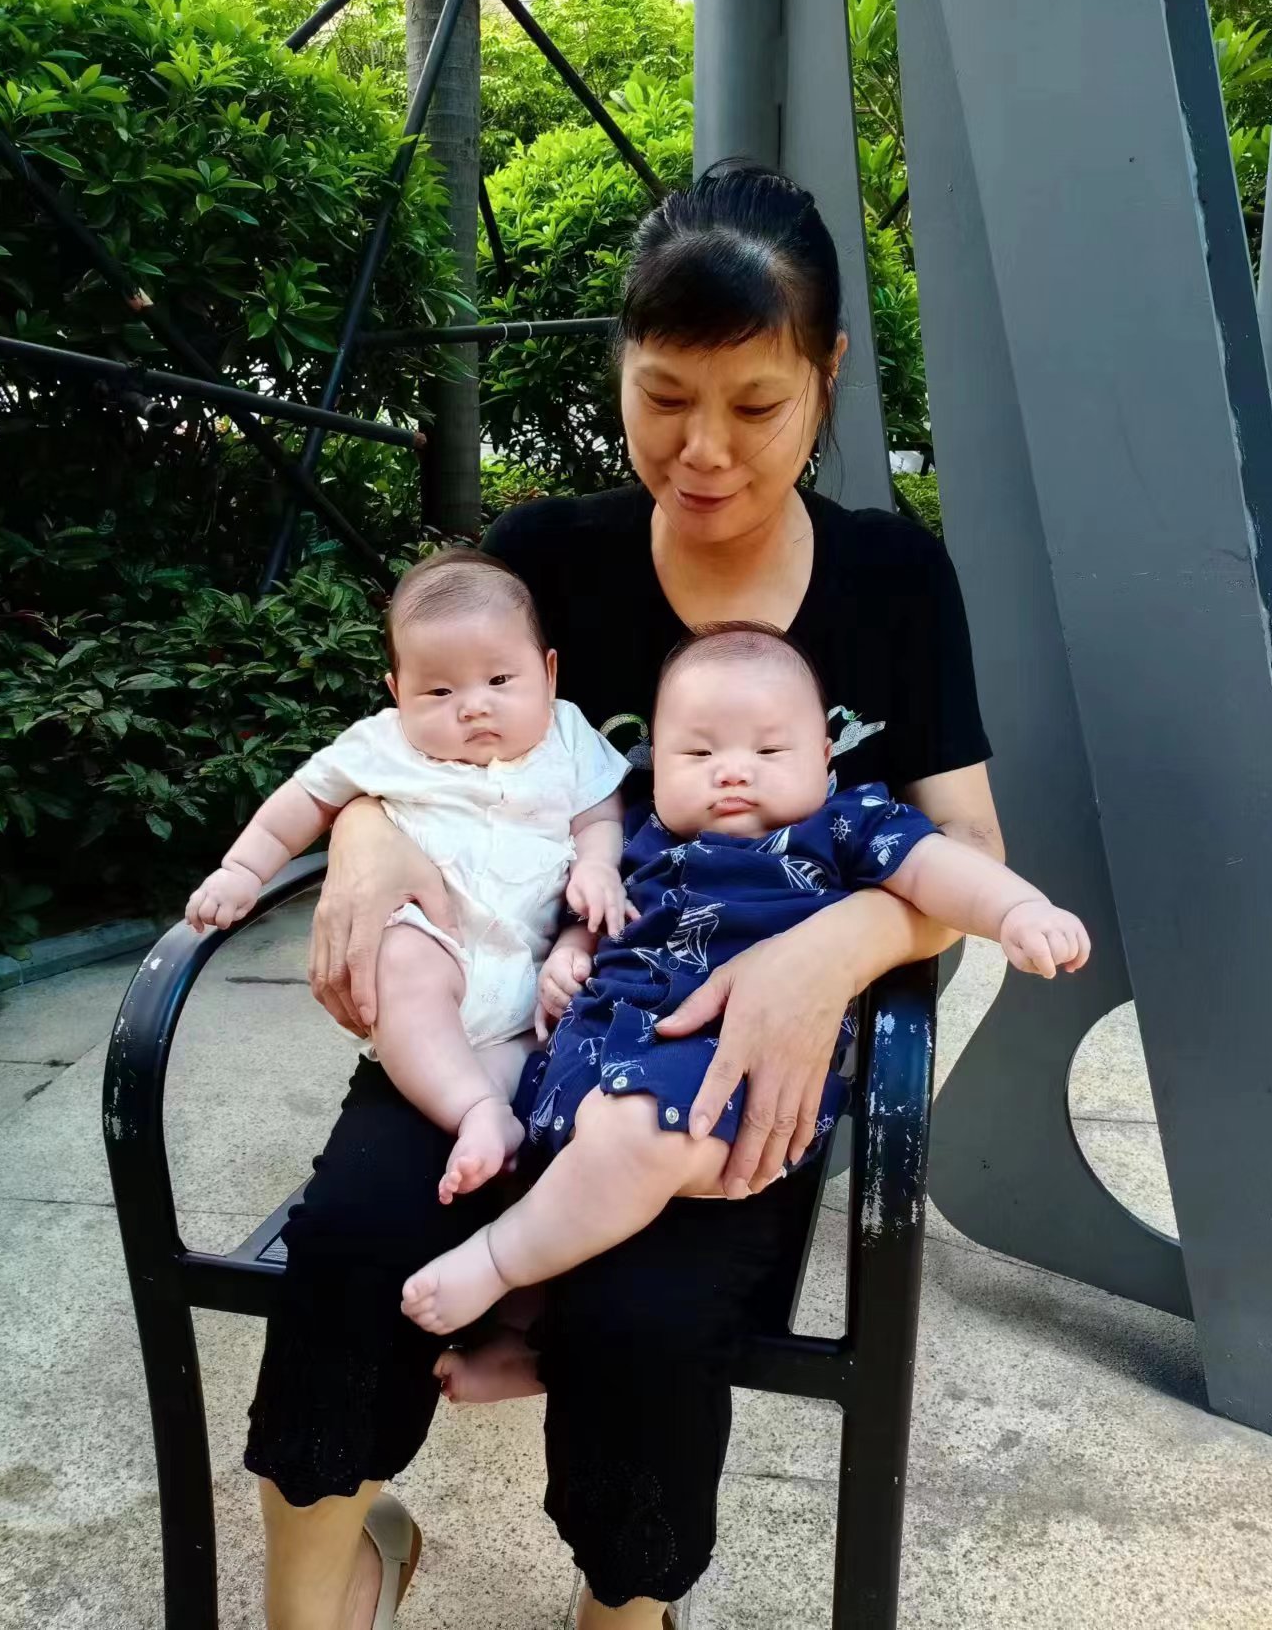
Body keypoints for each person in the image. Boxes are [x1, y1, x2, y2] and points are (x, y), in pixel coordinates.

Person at [244, 161, 1009, 1630]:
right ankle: (321, 1587)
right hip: (508, 1022)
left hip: (721, 1062)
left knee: (638, 1319)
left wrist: (830, 952)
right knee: (353, 1240)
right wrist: (372, 836)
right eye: (663, 396)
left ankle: (625, 1604)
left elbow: (965, 844)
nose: (701, 450)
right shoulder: (549, 561)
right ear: (620, 366)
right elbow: (407, 742)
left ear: (826, 373)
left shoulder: (893, 581)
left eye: (754, 404)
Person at [401, 623, 1088, 1338]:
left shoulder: (845, 826)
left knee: (632, 1139)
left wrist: (1016, 910)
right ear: (654, 767)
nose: (731, 771)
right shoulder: (638, 833)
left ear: (825, 757)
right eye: (698, 753)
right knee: (501, 1107)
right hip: (590, 1051)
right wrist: (571, 951)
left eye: (768, 750)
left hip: (723, 1080)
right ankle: (521, 1339)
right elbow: (592, 911)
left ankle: (498, 1262)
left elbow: (939, 868)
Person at [185, 549, 629, 1205]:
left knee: (536, 1047)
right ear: (397, 694)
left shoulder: (567, 735)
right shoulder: (384, 745)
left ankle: (499, 1139)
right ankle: (475, 1111)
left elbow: (600, 814)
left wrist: (596, 864)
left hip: (534, 971)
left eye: (499, 679)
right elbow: (301, 804)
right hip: (436, 947)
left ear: (549, 671)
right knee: (400, 963)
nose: (473, 707)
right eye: (440, 692)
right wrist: (241, 870)